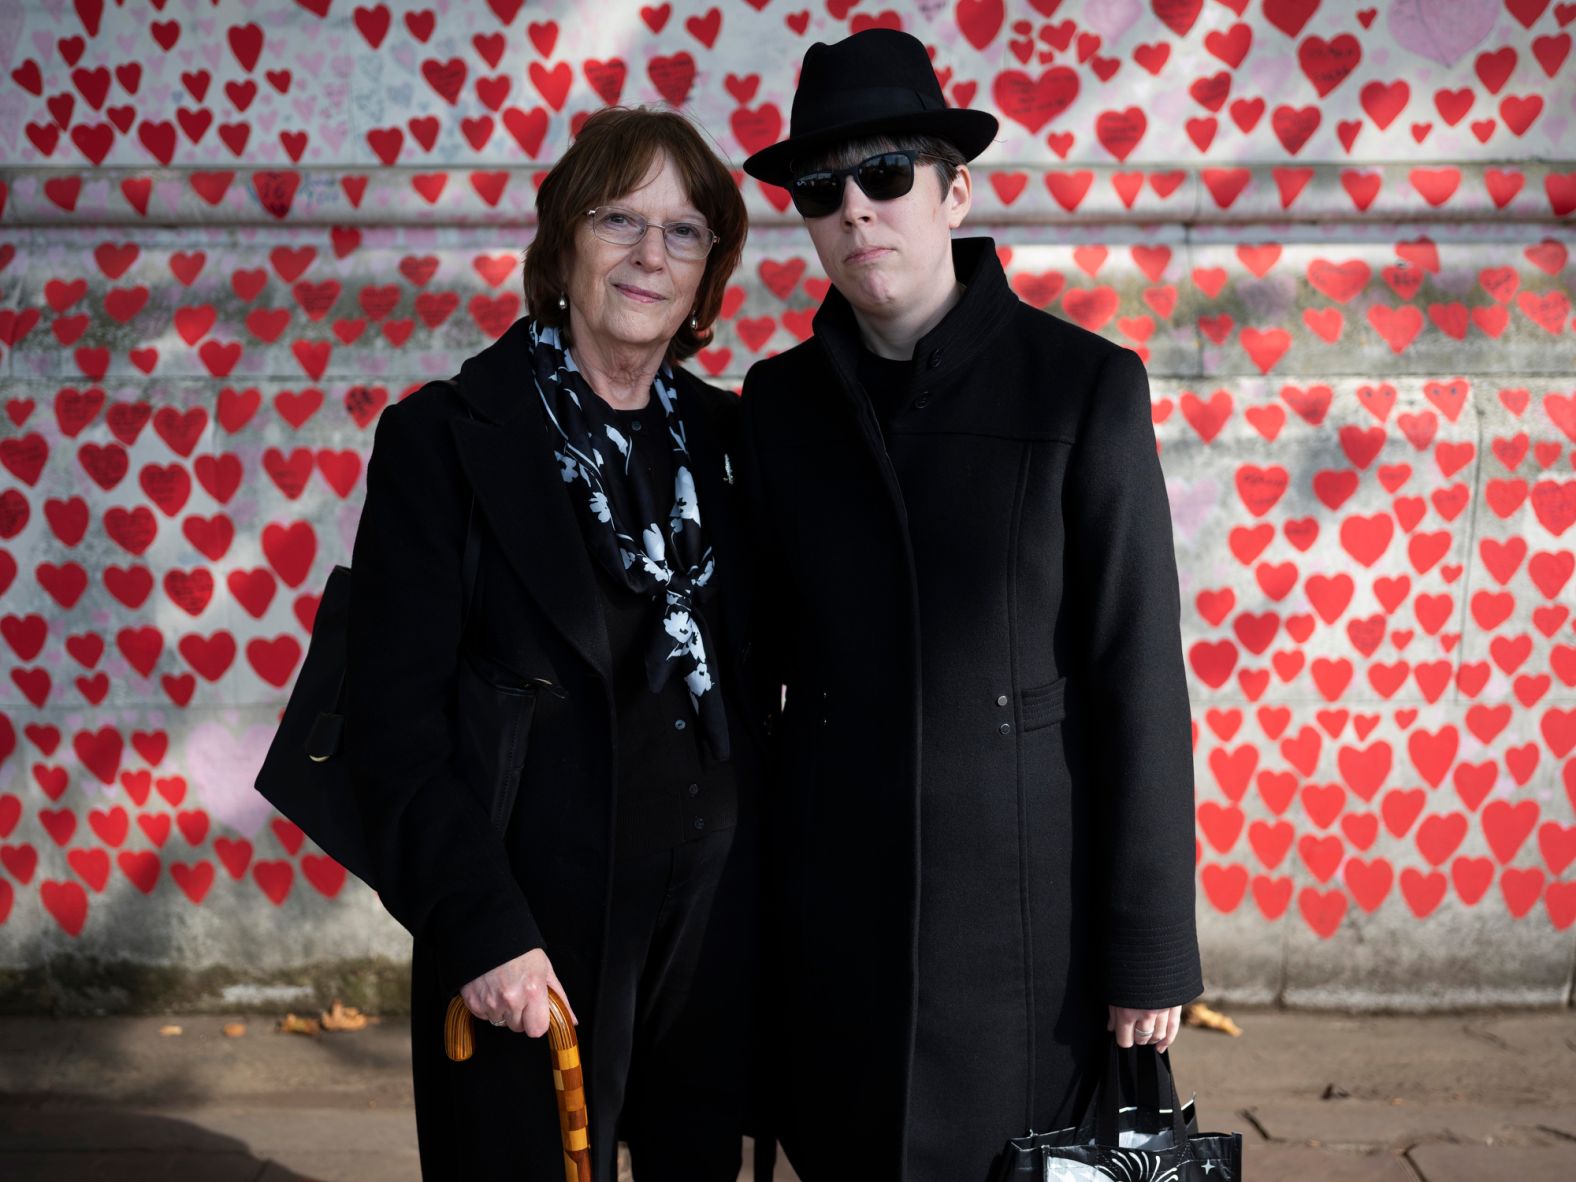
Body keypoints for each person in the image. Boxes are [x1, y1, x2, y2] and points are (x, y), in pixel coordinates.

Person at [739, 29, 1203, 1182]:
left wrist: (1147, 949)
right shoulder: (778, 404)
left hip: (1023, 931)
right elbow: (754, 677)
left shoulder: (1082, 384)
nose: (856, 210)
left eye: (887, 175)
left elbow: (1135, 674)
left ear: (955, 192)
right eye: (821, 189)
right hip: (834, 908)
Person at [345, 106, 761, 1181]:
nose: (648, 254)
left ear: (710, 268)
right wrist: (479, 927)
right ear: (562, 239)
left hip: (713, 936)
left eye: (684, 230)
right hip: (534, 936)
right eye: (618, 217)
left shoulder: (735, 443)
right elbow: (391, 727)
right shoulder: (445, 439)